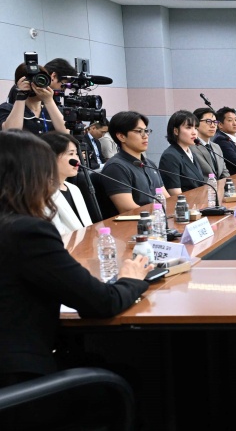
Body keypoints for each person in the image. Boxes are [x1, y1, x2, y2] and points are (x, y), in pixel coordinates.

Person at [0, 130, 150, 387]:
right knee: (127, 376)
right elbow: (102, 303)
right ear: (32, 176)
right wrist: (130, 278)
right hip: (22, 379)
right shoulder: (27, 232)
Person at [101, 111, 167, 214]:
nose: (145, 136)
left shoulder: (149, 164)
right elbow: (128, 209)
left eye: (146, 131)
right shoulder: (116, 167)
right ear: (121, 136)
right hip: (136, 225)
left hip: (158, 220)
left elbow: (166, 198)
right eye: (139, 131)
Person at [40, 132, 93, 236]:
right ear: (50, 157)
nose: (77, 160)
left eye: (77, 154)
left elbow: (87, 227)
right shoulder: (41, 193)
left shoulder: (74, 189)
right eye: (71, 154)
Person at [0, 62, 68, 134]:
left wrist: (49, 101)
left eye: (43, 81)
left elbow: (66, 133)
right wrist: (21, 95)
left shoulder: (54, 109)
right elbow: (11, 133)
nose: (40, 86)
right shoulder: (7, 109)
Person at [159, 110, 206, 195]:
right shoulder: (170, 156)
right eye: (188, 127)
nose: (194, 132)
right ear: (176, 131)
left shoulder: (191, 153)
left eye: (196, 128)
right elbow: (175, 194)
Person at [192, 108, 230, 181]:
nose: (213, 125)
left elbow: (224, 173)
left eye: (215, 122)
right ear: (196, 123)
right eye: (208, 121)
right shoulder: (191, 147)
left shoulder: (216, 147)